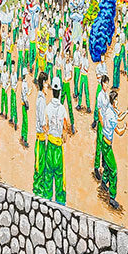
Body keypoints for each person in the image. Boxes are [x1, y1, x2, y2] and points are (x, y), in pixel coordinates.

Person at [41, 76, 70, 205]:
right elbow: (66, 127)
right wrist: (63, 135)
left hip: (50, 145)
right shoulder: (63, 109)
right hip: (58, 146)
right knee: (59, 178)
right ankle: (60, 204)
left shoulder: (47, 108)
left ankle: (47, 203)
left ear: (52, 90)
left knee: (48, 178)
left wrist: (49, 132)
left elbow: (45, 126)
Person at [94, 88, 124, 210]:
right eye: (116, 100)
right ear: (113, 101)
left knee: (107, 165)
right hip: (107, 145)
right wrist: (125, 128)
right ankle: (112, 197)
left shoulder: (109, 111)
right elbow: (119, 132)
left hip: (105, 142)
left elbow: (118, 116)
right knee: (114, 170)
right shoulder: (111, 115)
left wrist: (125, 114)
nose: (117, 101)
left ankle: (103, 182)